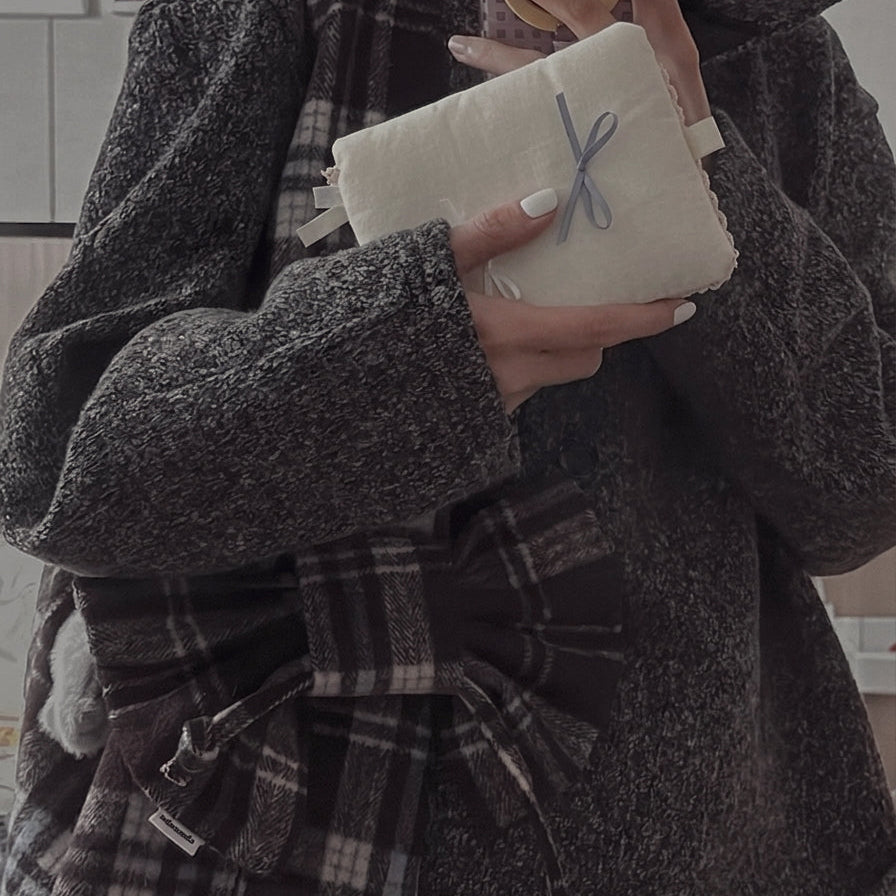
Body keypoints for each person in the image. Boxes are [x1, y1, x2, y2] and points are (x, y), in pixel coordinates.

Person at [1, 0, 894, 893]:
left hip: (699, 828)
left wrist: (697, 159)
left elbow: (867, 487)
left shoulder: (782, 56)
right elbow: (54, 462)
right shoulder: (258, 19)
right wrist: (394, 354)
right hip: (255, 808)